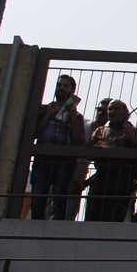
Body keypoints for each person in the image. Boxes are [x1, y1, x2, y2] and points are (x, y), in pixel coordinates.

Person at [30, 74, 86, 221]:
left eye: (65, 86)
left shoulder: (78, 116)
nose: (61, 88)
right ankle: (36, 225)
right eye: (59, 85)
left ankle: (55, 227)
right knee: (38, 195)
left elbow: (80, 142)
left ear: (72, 91)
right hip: (43, 158)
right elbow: (33, 133)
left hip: (65, 161)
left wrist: (73, 116)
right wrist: (50, 114)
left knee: (60, 197)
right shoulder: (43, 109)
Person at [86, 100, 137, 223]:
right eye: (110, 109)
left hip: (122, 178)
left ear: (125, 113)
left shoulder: (132, 132)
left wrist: (135, 181)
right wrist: (95, 150)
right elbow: (87, 152)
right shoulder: (101, 131)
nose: (112, 112)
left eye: (116, 109)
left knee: (114, 216)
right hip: (102, 176)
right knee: (93, 213)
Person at [67, 96, 109, 220]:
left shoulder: (106, 136)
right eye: (99, 110)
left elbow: (103, 168)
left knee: (69, 217)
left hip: (78, 180)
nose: (100, 114)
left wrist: (84, 184)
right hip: (64, 172)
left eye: (104, 112)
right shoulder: (83, 124)